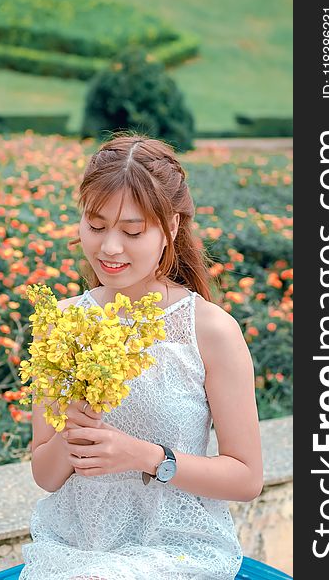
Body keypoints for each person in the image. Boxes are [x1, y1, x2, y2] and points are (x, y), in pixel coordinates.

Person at [19, 133, 263, 580]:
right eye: (95, 226)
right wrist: (73, 429)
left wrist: (144, 456)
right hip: (75, 548)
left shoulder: (209, 330)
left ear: (170, 227)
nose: (110, 248)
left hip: (177, 550)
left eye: (132, 231)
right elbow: (45, 474)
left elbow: (246, 478)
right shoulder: (63, 324)